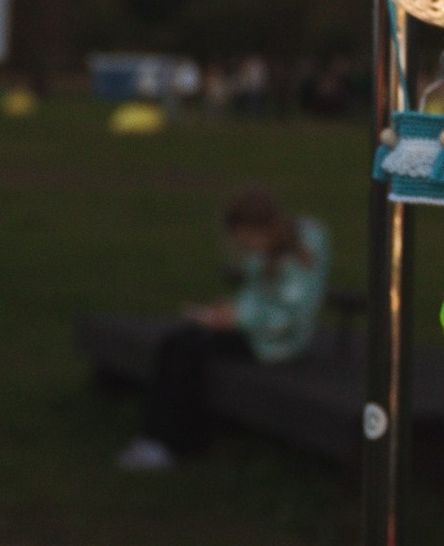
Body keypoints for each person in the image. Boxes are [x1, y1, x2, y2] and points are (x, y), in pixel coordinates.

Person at [86, 186, 332, 469]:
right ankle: (155, 437)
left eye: (247, 241)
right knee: (176, 342)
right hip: (253, 329)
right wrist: (230, 309)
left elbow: (290, 315)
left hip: (274, 343)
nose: (246, 248)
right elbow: (258, 296)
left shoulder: (300, 255)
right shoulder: (271, 248)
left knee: (187, 353)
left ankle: (172, 442)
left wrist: (237, 318)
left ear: (262, 228)